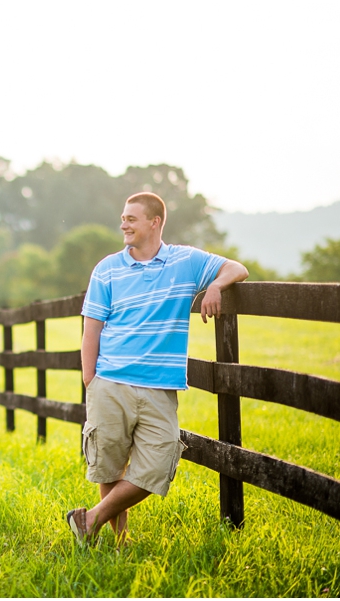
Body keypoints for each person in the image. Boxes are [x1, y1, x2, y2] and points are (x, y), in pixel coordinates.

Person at [66, 192, 248, 548]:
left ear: (155, 222)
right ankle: (115, 542)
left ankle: (88, 520)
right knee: (111, 465)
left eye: (131, 219)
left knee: (160, 462)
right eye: (123, 218)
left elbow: (237, 268)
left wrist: (214, 285)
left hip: (160, 386)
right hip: (110, 381)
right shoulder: (107, 268)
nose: (124, 224)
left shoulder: (186, 261)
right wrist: (91, 381)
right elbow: (91, 331)